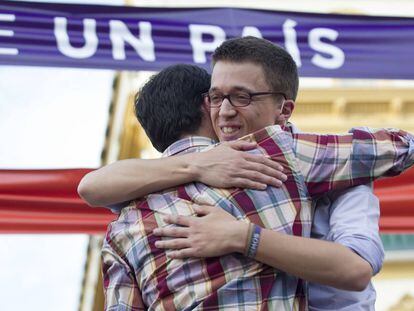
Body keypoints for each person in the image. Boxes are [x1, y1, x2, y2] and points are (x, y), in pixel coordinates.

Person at [79, 37, 414, 310]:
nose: (225, 111)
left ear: (284, 109)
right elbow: (400, 146)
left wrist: (241, 236)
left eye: (241, 97)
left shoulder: (123, 223)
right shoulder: (276, 152)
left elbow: (90, 188)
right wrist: (199, 165)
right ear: (205, 106)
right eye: (217, 98)